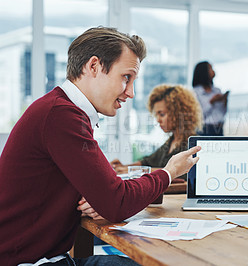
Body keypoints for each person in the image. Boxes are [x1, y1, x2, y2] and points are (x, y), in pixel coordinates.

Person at [0, 27, 200, 265]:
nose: (131, 93)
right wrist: (169, 173)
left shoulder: (59, 109)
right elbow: (117, 202)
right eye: (126, 77)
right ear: (93, 67)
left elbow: (106, 194)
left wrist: (99, 195)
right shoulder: (61, 116)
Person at [110, 84, 202, 181]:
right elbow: (147, 162)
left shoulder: (192, 145)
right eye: (156, 114)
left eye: (162, 114)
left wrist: (130, 170)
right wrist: (123, 167)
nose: (158, 120)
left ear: (178, 113)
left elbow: (178, 172)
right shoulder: (171, 142)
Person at [193, 61, 228, 136]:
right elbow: (199, 114)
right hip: (205, 130)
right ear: (203, 72)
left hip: (219, 129)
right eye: (210, 68)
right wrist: (212, 101)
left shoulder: (217, 90)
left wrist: (225, 100)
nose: (213, 71)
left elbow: (223, 113)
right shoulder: (195, 92)